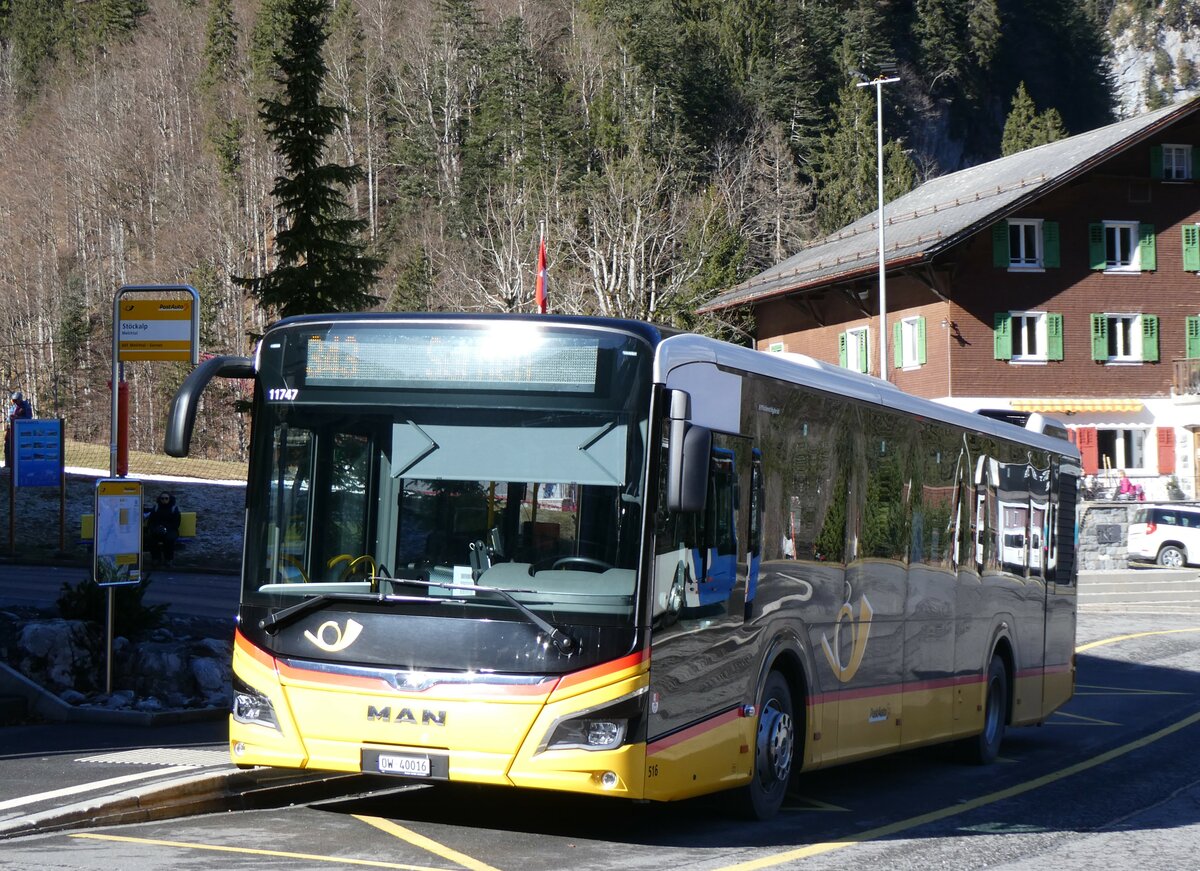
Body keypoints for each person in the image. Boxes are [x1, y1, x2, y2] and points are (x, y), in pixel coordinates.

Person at [145, 491, 182, 567]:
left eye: (166, 498)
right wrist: (155, 528)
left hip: (170, 530)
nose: (164, 500)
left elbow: (176, 523)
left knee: (169, 539)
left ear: (170, 499)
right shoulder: (156, 508)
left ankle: (168, 559)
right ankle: (156, 559)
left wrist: (165, 528)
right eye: (162, 498)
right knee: (151, 539)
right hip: (157, 529)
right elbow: (151, 521)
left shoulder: (173, 508)